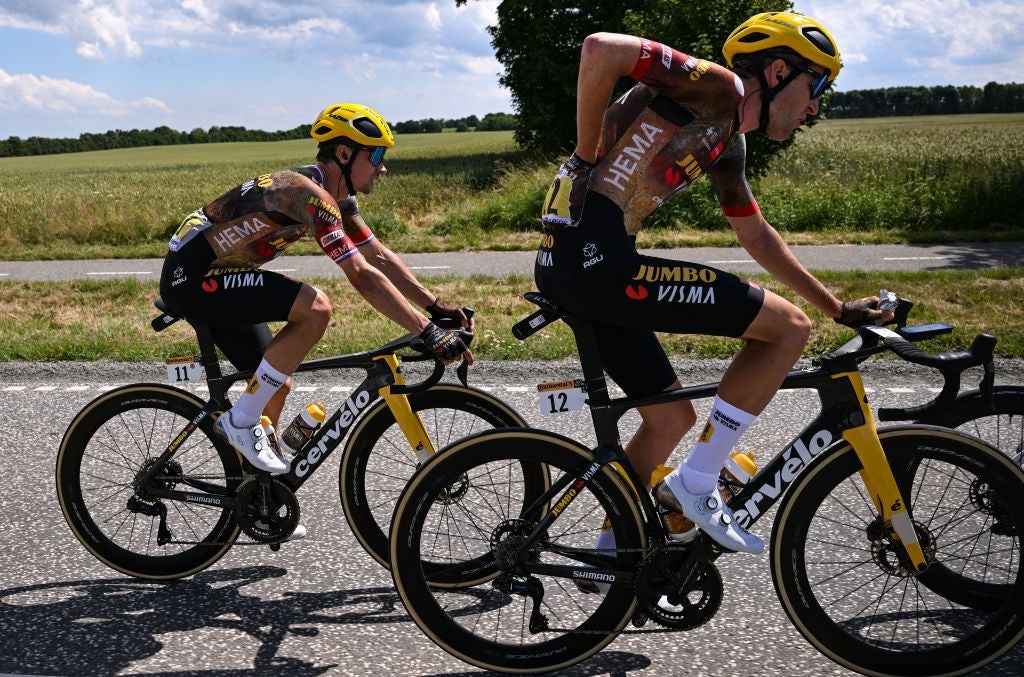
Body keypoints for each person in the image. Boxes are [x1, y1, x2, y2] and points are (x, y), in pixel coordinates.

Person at [536, 12, 891, 557]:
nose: (816, 105)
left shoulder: (728, 140)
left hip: (577, 266)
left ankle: (614, 548)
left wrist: (836, 307)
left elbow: (755, 234)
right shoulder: (718, 88)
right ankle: (697, 484)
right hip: (597, 264)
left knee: (669, 417)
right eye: (815, 85)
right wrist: (585, 156)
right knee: (787, 329)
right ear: (777, 71)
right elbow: (600, 48)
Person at [159, 103, 473, 540]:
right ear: (345, 154)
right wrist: (427, 331)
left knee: (274, 380)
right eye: (377, 156)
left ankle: (262, 498)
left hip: (222, 275)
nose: (383, 169)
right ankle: (239, 424)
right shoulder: (305, 193)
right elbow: (361, 276)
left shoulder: (336, 197)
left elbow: (377, 256)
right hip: (192, 278)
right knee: (316, 306)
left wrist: (435, 306)